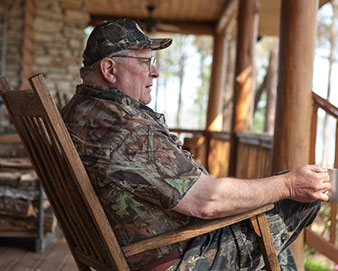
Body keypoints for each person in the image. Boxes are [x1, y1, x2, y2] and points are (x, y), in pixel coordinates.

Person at [61, 18, 331, 271]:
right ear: (109, 69)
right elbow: (206, 201)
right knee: (298, 197)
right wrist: (288, 184)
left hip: (131, 249)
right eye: (145, 62)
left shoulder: (79, 111)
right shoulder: (125, 127)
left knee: (280, 204)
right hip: (175, 258)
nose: (155, 72)